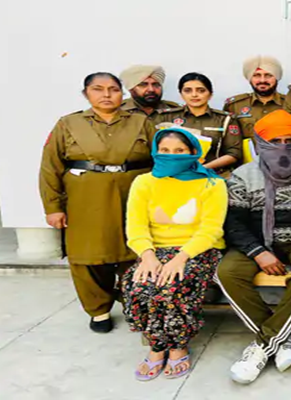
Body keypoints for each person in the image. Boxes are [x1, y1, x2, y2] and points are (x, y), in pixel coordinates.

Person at [216, 110, 291, 384]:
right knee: (227, 272)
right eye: (274, 141)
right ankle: (285, 338)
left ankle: (264, 344)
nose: (282, 147)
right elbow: (234, 223)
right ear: (260, 143)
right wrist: (258, 252)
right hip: (258, 240)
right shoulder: (244, 174)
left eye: (290, 140)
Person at [39, 72, 156, 333]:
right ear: (86, 94)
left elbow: (159, 161)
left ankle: (134, 303)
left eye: (113, 89)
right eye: (98, 89)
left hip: (133, 196)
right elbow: (50, 168)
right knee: (88, 256)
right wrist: (53, 207)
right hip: (85, 201)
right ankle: (98, 310)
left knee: (135, 251)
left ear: (122, 93)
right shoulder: (68, 124)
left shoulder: (140, 122)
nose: (106, 95)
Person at [122, 127, 228, 380]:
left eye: (179, 150)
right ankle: (157, 347)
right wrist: (148, 256)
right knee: (138, 285)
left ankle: (178, 346)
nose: (172, 155)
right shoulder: (144, 182)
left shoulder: (213, 183)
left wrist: (181, 258)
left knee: (172, 284)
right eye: (165, 150)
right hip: (155, 250)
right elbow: (135, 226)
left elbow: (211, 230)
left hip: (198, 250)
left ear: (193, 152)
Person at [157, 72, 241, 176]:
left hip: (213, 175)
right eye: (188, 90)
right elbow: (158, 150)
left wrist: (202, 168)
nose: (194, 95)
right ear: (181, 94)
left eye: (201, 90)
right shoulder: (167, 117)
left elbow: (234, 153)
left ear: (210, 94)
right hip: (174, 174)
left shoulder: (225, 119)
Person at [224, 56, 286, 163]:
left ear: (277, 77)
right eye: (257, 75)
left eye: (268, 75)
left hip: (283, 164)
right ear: (250, 78)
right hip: (246, 166)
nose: (262, 80)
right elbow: (229, 143)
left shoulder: (290, 103)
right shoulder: (234, 105)